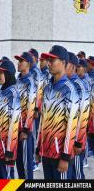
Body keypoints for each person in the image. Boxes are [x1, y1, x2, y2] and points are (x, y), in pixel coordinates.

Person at [36, 45, 79, 180]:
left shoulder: (69, 90)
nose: (49, 63)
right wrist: (38, 149)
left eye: (52, 60)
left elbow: (72, 126)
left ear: (64, 63)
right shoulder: (48, 88)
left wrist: (65, 157)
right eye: (48, 59)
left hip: (60, 156)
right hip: (46, 153)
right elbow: (43, 121)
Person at [0, 60, 21, 179]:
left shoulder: (13, 94)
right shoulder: (0, 92)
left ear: (9, 75)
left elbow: (14, 125)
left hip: (6, 147)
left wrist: (10, 150)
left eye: (2, 73)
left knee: (7, 179)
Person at [66, 52, 90, 179]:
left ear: (72, 66)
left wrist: (78, 142)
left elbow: (83, 116)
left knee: (77, 173)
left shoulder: (79, 85)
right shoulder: (66, 85)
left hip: (75, 139)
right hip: (66, 140)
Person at [15, 52, 36, 179]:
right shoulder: (18, 80)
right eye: (18, 61)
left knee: (26, 164)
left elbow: (31, 107)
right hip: (15, 127)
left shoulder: (30, 82)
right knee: (19, 162)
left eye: (21, 61)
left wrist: (26, 129)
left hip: (24, 130)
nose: (18, 64)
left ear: (28, 64)